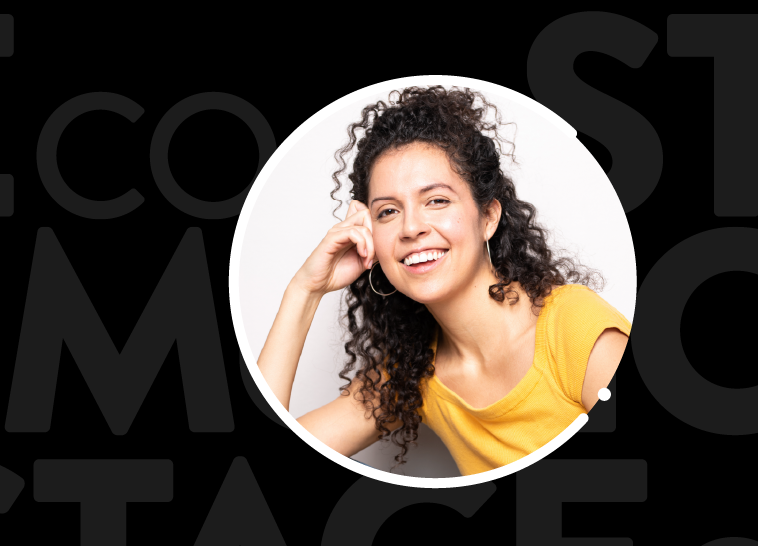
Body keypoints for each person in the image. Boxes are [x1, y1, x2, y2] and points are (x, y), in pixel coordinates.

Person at [257, 86, 630, 476]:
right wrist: (305, 290)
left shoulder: (573, 327)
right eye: (387, 211)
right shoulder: (412, 372)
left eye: (436, 200)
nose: (411, 227)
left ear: (487, 217)